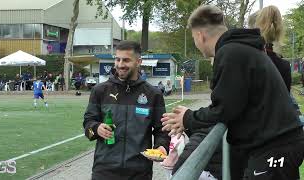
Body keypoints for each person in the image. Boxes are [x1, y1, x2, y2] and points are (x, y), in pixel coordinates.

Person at [161, 5, 304, 180]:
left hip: (274, 149)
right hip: (277, 146)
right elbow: (232, 104)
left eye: (193, 38)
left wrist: (187, 117)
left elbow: (224, 110)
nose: (196, 44)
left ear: (200, 35)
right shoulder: (242, 49)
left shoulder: (230, 53)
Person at [83, 41, 170, 180]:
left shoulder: (154, 94)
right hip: (104, 171)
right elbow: (88, 125)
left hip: (139, 172)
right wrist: (96, 128)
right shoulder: (100, 90)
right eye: (117, 59)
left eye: (126, 60)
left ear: (138, 62)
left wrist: (162, 147)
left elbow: (162, 130)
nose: (120, 64)